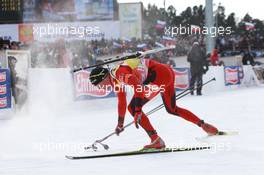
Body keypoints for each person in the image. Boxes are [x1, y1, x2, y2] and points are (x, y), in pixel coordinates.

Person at [89, 56, 219, 149]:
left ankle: (155, 140)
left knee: (133, 108)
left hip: (159, 76)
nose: (101, 88)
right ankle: (203, 125)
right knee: (172, 109)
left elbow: (137, 87)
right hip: (166, 73)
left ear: (103, 78)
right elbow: (121, 102)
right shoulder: (115, 80)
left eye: (99, 85)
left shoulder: (119, 73)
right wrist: (120, 124)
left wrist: (138, 110)